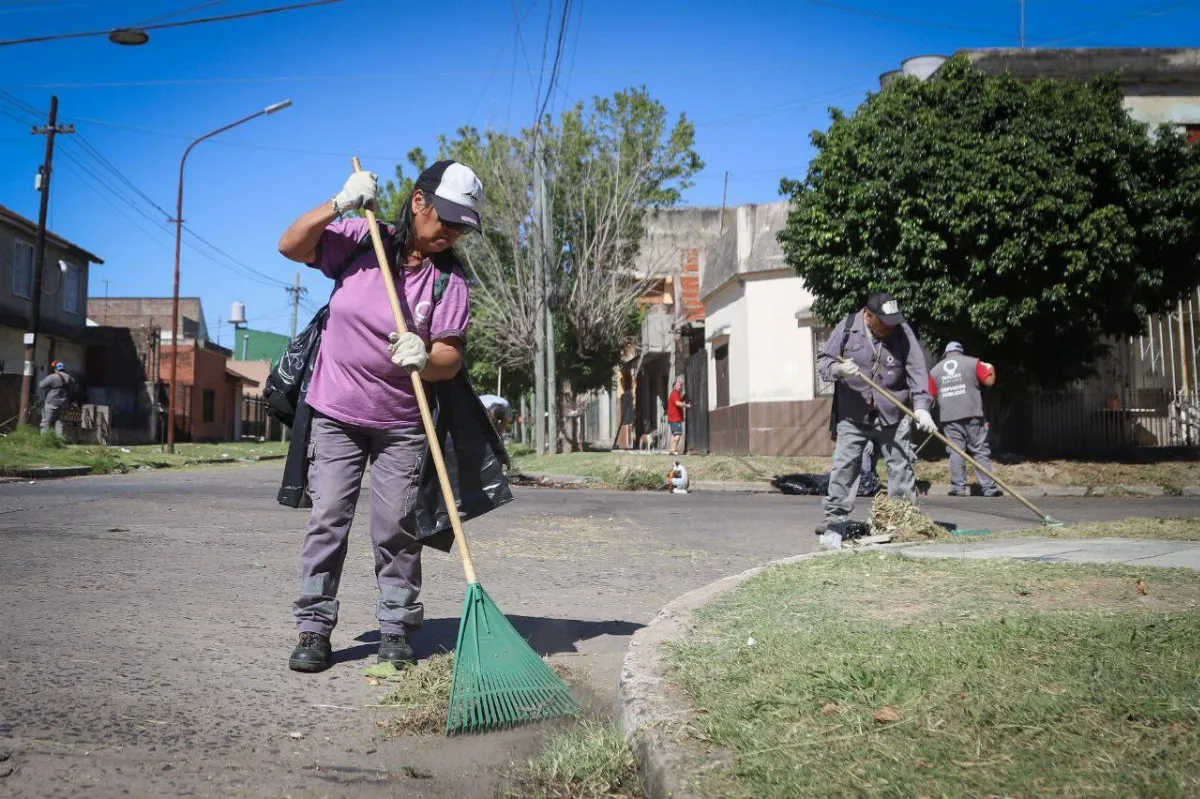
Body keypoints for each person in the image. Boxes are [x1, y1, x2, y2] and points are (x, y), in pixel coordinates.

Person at [276, 160, 482, 673]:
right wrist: (338, 203)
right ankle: (314, 627)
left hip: (402, 422)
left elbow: (450, 356)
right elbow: (291, 245)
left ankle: (396, 625)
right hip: (336, 411)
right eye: (446, 219)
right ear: (418, 202)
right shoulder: (364, 238)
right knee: (328, 520)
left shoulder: (448, 280)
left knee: (395, 525)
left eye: (461, 225)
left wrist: (425, 357)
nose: (451, 233)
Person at [816, 293, 936, 532]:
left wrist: (922, 408)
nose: (890, 328)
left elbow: (917, 370)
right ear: (868, 315)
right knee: (845, 465)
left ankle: (902, 519)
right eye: (884, 323)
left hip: (893, 411)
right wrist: (839, 369)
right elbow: (824, 362)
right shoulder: (848, 327)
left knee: (901, 464)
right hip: (853, 413)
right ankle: (835, 519)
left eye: (893, 322)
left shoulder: (902, 331)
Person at [930, 341, 1002, 497]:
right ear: (961, 352)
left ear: (945, 354)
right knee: (979, 450)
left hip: (949, 416)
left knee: (956, 451)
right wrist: (990, 368)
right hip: (972, 415)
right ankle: (989, 489)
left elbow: (932, 395)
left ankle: (958, 489)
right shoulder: (973, 363)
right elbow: (989, 381)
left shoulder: (935, 370)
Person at [37, 361, 74, 435]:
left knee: (46, 422)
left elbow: (41, 385)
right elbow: (73, 388)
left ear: (56, 369)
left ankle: (44, 440)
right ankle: (58, 440)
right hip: (63, 403)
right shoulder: (69, 378)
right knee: (59, 423)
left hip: (51, 403)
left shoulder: (52, 377)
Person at [666, 376, 691, 455]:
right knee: (678, 434)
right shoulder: (675, 393)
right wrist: (686, 405)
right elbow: (677, 403)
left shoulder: (676, 394)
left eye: (680, 385)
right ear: (674, 386)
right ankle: (673, 450)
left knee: (674, 435)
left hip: (673, 418)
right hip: (675, 418)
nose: (680, 386)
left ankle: (672, 450)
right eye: (678, 385)